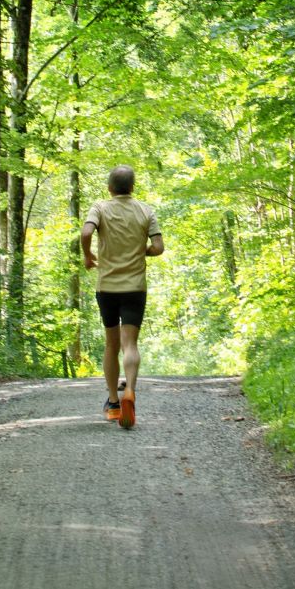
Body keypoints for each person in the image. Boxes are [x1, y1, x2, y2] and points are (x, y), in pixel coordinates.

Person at [80, 165, 164, 429]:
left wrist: (88, 254)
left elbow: (85, 232)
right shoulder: (145, 210)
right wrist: (143, 252)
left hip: (107, 287)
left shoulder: (100, 208)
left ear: (109, 187)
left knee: (111, 344)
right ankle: (131, 392)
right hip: (135, 287)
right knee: (130, 345)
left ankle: (114, 403)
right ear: (133, 187)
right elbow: (159, 247)